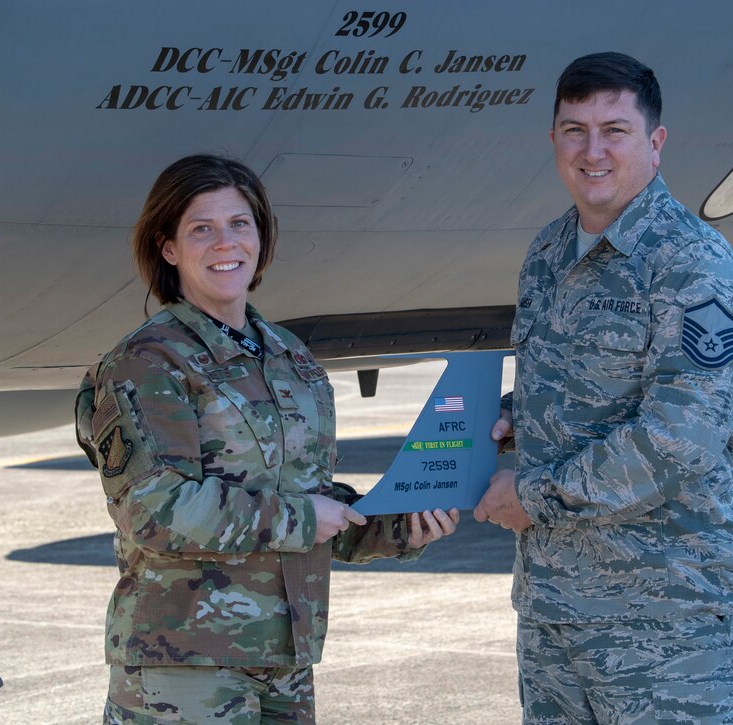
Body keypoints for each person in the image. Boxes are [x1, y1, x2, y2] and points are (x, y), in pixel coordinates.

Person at [75, 154, 460, 724]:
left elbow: (313, 497)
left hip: (286, 660)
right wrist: (305, 517)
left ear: (261, 237)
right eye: (201, 229)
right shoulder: (149, 363)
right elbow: (154, 511)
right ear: (168, 248)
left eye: (240, 224)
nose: (225, 242)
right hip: (184, 667)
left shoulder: (288, 357)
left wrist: (399, 525)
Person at [474, 52, 733, 723]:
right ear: (553, 142)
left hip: (666, 625)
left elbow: (679, 436)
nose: (592, 150)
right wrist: (509, 417)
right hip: (556, 616)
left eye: (615, 130)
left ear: (655, 143)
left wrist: (534, 495)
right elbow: (578, 384)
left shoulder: (695, 265)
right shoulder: (548, 252)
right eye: (574, 130)